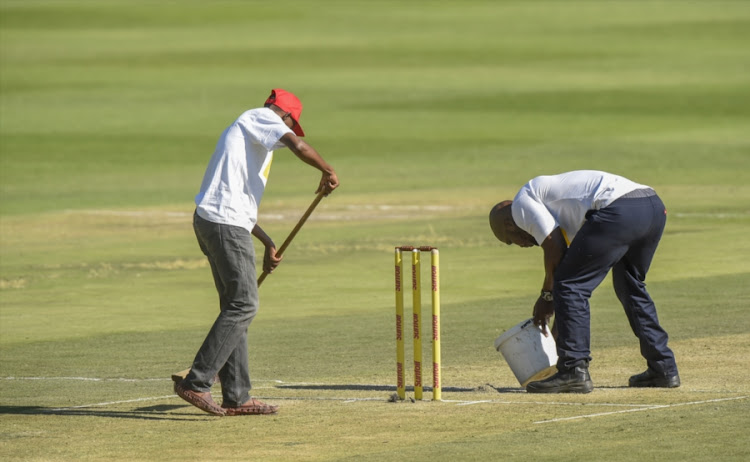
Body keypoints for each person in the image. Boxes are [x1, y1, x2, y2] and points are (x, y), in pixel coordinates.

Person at [174, 89, 339, 415]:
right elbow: (299, 146)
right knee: (244, 304)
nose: (290, 132)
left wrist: (267, 242)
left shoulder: (248, 138)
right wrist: (327, 170)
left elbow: (237, 208)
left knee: (236, 308)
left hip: (218, 222)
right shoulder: (260, 116)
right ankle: (197, 381)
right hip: (223, 225)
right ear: (286, 116)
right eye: (292, 124)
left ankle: (236, 395)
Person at [489, 170, 679, 393]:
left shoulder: (521, 205)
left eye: (510, 241)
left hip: (619, 209)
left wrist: (547, 296)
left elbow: (555, 249)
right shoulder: (560, 212)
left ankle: (573, 371)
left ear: (509, 225)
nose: (521, 246)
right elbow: (567, 263)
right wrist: (560, 318)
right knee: (630, 287)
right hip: (652, 206)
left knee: (570, 287)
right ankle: (663, 368)